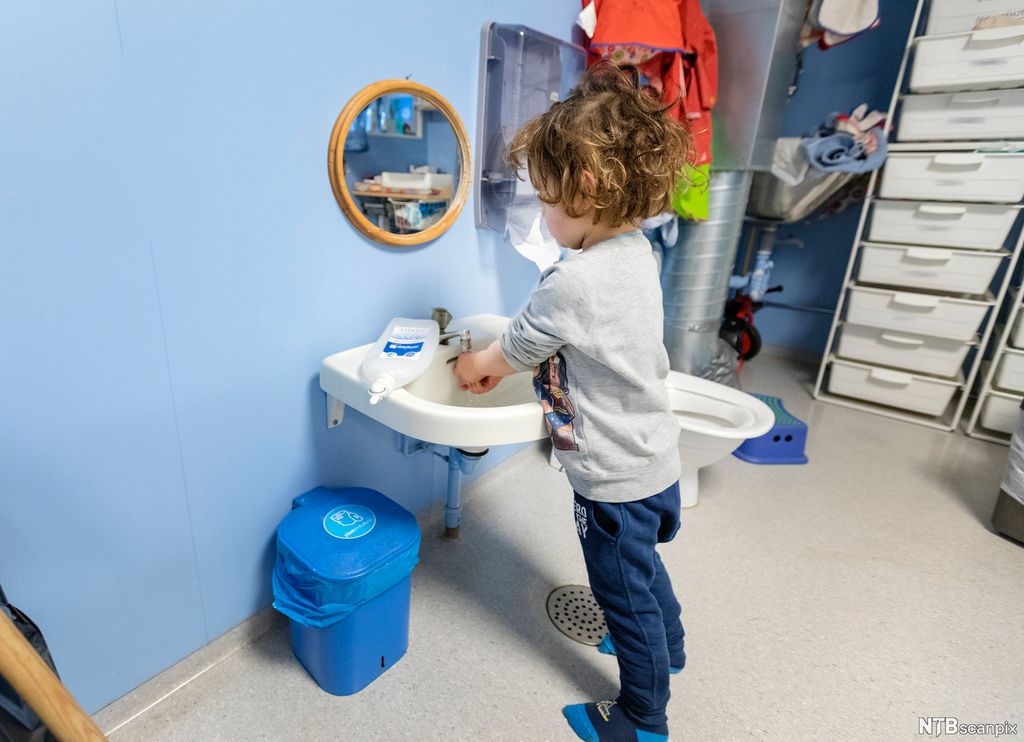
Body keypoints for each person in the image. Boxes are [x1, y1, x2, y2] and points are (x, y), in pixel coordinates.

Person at [453, 62, 692, 742]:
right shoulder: (634, 252)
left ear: (586, 190)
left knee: (622, 595)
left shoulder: (574, 282)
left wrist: (473, 366)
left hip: (613, 481)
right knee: (644, 576)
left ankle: (644, 719)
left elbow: (515, 349)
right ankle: (667, 647)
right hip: (652, 461)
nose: (543, 215)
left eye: (546, 201)